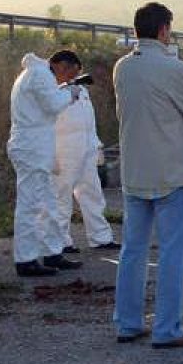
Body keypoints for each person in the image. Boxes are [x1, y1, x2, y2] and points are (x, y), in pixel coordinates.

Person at [112, 2, 183, 348]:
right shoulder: (174, 68)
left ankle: (127, 322)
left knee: (133, 250)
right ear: (165, 30)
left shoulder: (122, 68)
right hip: (171, 171)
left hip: (134, 170)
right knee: (172, 252)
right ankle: (167, 329)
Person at [7, 52, 85, 277]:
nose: (68, 80)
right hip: (31, 147)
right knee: (30, 204)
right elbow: (52, 105)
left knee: (49, 202)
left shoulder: (38, 75)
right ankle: (25, 259)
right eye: (70, 74)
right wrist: (70, 94)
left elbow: (46, 102)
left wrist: (64, 91)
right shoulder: (39, 75)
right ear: (61, 65)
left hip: (37, 146)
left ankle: (52, 252)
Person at [49, 50, 119, 254]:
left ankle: (101, 237)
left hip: (86, 148)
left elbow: (88, 120)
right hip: (63, 148)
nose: (75, 77)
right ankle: (61, 241)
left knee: (93, 194)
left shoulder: (79, 89)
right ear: (62, 67)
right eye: (73, 73)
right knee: (61, 196)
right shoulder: (49, 89)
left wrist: (95, 144)